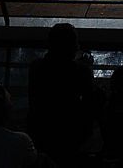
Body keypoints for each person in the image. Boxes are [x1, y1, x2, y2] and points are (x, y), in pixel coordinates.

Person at [27, 23, 101, 161]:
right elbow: (89, 105)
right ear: (72, 46)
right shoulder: (82, 71)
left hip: (42, 134)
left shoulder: (36, 68)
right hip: (72, 137)